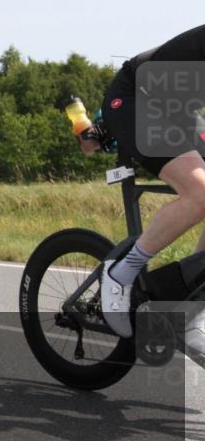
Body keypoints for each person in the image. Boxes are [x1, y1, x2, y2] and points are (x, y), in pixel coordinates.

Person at [76, 24, 205, 345]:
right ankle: (120, 274)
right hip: (137, 97)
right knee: (201, 192)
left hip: (175, 110)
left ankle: (192, 311)